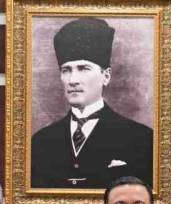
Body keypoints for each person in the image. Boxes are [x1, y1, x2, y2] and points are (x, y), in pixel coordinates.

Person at [31, 17, 154, 189]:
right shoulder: (40, 142)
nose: (73, 80)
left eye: (83, 69)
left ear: (106, 76)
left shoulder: (141, 139)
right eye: (66, 70)